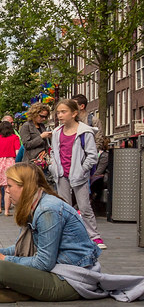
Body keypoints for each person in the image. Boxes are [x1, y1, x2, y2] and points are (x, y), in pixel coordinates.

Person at [0, 163, 100, 302]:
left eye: (10, 186)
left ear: (25, 187)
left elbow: (44, 262)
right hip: (53, 271)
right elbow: (24, 247)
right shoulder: (33, 205)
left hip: (69, 279)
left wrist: (3, 258)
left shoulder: (47, 210)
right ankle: (19, 290)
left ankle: (20, 291)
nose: (7, 191)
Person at [49, 98, 104, 249]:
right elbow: (54, 152)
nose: (59, 115)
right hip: (61, 175)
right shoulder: (56, 133)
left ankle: (94, 236)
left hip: (78, 175)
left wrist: (82, 170)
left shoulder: (84, 132)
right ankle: (68, 236)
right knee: (64, 207)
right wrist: (53, 166)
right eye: (58, 112)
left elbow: (92, 155)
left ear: (74, 113)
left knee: (84, 206)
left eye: (63, 112)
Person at [0, 120, 21, 215]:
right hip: (10, 162)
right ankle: (6, 210)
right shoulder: (15, 138)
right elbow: (18, 151)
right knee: (7, 187)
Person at [19, 103, 53, 171]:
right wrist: (41, 137)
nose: (44, 119)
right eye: (41, 116)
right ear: (34, 114)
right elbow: (26, 145)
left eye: (45, 117)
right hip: (31, 162)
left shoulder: (42, 126)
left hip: (43, 161)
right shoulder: (26, 126)